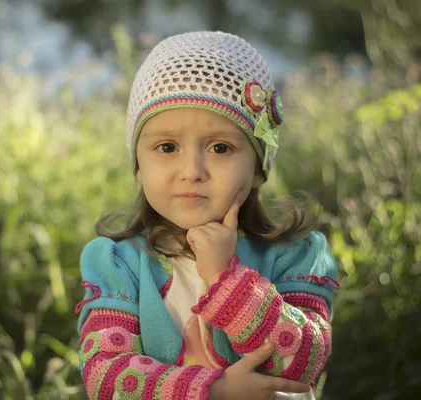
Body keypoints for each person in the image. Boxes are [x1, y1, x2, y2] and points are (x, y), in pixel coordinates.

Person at [74, 31, 340, 400]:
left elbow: (304, 363)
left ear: (259, 167)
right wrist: (214, 391)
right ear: (138, 165)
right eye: (167, 147)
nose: (192, 170)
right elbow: (105, 377)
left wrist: (225, 279)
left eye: (220, 147)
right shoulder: (119, 263)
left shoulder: (296, 254)